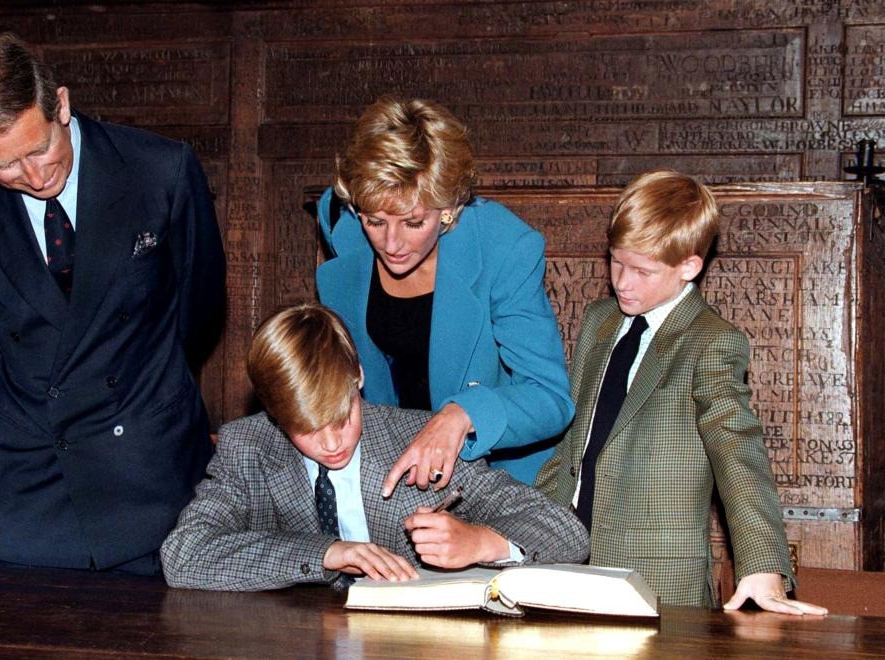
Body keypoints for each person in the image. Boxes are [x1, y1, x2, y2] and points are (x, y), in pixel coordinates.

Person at [0, 33, 225, 574]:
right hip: (33, 484)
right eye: (6, 166)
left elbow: (198, 308)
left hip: (149, 470)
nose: (35, 177)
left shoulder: (160, 169)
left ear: (60, 104)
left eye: (39, 149)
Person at [535, 171, 826, 615]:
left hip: (658, 577)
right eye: (616, 262)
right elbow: (572, 442)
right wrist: (527, 530)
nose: (623, 282)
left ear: (689, 267)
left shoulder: (711, 341)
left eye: (642, 271)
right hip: (563, 559)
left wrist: (763, 563)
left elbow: (736, 448)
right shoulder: (599, 319)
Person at [161, 303, 587, 591]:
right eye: (306, 430)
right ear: (274, 414)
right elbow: (183, 555)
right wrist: (326, 553)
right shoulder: (248, 448)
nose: (332, 443)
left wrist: (479, 542)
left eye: (341, 418)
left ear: (359, 377)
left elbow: (568, 532)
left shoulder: (420, 440)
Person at [316, 97, 573, 496]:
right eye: (375, 221)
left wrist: (463, 414)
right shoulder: (344, 228)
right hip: (388, 468)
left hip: (496, 474)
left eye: (414, 222)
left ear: (450, 207)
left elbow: (550, 397)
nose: (391, 243)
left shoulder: (503, 248)